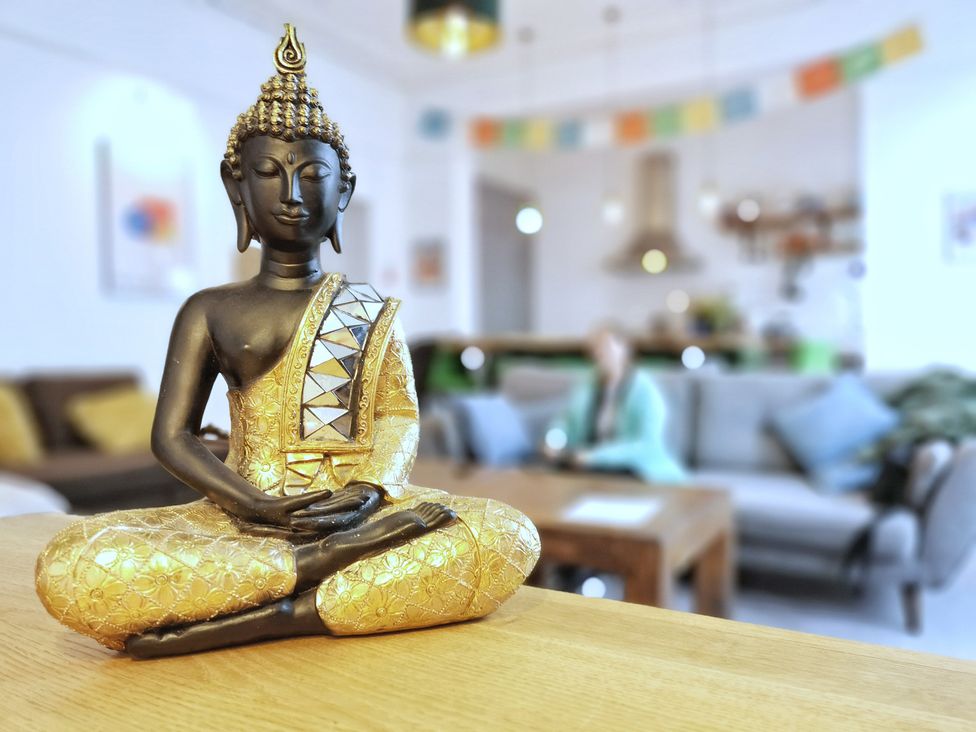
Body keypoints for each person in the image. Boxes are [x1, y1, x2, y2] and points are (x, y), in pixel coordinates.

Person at [34, 25, 539, 658]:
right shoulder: (210, 309)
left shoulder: (367, 310)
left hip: (358, 515)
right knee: (72, 565)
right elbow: (172, 437)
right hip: (243, 517)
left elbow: (396, 415)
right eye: (269, 174)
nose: (293, 193)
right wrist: (252, 505)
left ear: (343, 192)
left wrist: (370, 492)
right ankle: (322, 577)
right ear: (236, 188)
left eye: (312, 174)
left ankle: (268, 615)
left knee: (506, 534)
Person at [542, 326, 686, 483]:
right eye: (596, 348)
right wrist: (553, 442)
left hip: (634, 467)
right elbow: (566, 422)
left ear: (624, 349)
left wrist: (595, 456)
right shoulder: (587, 385)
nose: (600, 353)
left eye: (606, 347)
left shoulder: (645, 390)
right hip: (589, 467)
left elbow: (646, 444)